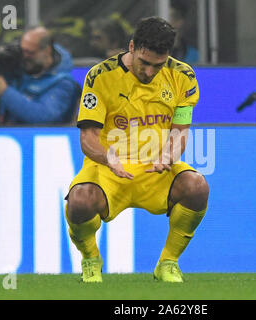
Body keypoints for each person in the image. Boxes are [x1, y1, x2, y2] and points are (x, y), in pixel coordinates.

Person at [65, 16, 209, 283]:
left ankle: (168, 263)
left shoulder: (183, 76)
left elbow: (180, 131)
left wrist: (168, 156)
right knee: (80, 201)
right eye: (144, 63)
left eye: (158, 65)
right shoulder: (99, 76)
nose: (151, 72)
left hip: (155, 168)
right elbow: (88, 139)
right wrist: (108, 158)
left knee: (197, 186)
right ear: (131, 47)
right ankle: (91, 259)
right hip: (109, 168)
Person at [0, 26, 81, 124]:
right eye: (23, 51)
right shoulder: (19, 67)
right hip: (8, 132)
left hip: (41, 137)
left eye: (30, 53)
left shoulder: (64, 83)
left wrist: (5, 92)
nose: (24, 56)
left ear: (46, 50)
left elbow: (44, 117)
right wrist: (2, 67)